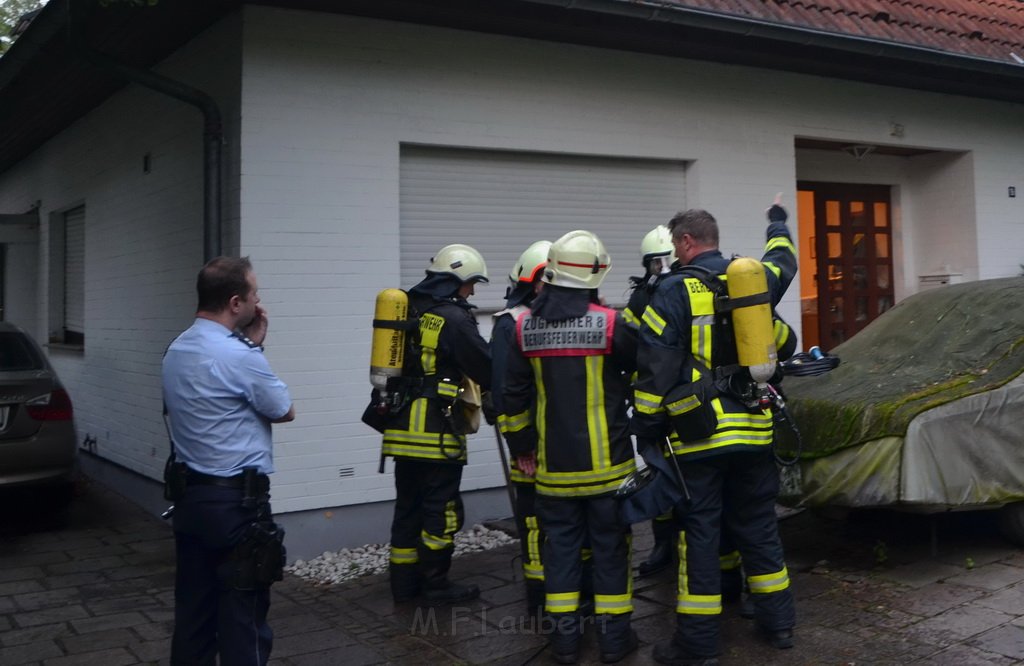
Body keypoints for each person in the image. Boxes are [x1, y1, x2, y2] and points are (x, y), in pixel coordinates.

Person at [633, 203, 798, 665]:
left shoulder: (672, 290)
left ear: (686, 242)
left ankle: (698, 644)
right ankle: (779, 624)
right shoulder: (753, 277)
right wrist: (778, 224)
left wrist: (646, 423)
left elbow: (656, 363)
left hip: (700, 435)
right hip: (754, 429)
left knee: (700, 536)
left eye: (674, 244)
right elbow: (786, 261)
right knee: (760, 528)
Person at [503, 230, 639, 664]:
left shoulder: (523, 327)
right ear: (595, 276)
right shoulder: (612, 324)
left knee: (559, 553)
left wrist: (523, 447)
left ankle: (564, 643)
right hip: (609, 471)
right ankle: (615, 642)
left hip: (552, 472)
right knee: (611, 552)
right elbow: (646, 369)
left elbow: (511, 399)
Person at [162, 256, 295, 666]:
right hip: (237, 508)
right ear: (236, 302)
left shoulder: (176, 348)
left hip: (191, 502)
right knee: (243, 619)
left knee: (194, 617)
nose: (260, 301)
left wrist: (249, 346)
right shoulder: (238, 355)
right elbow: (283, 408)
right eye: (255, 293)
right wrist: (254, 348)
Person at [381, 244, 492, 605]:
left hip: (399, 430)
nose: (471, 291)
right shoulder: (454, 319)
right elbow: (485, 366)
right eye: (470, 283)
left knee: (408, 507)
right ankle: (435, 585)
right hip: (435, 431)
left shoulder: (409, 308)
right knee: (440, 511)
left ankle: (404, 585)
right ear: (455, 280)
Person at [491, 240, 551, 616]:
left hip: (562, 444)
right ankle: (541, 596)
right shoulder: (511, 323)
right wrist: (522, 447)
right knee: (534, 521)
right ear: (533, 281)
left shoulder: (563, 318)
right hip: (535, 446)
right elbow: (506, 394)